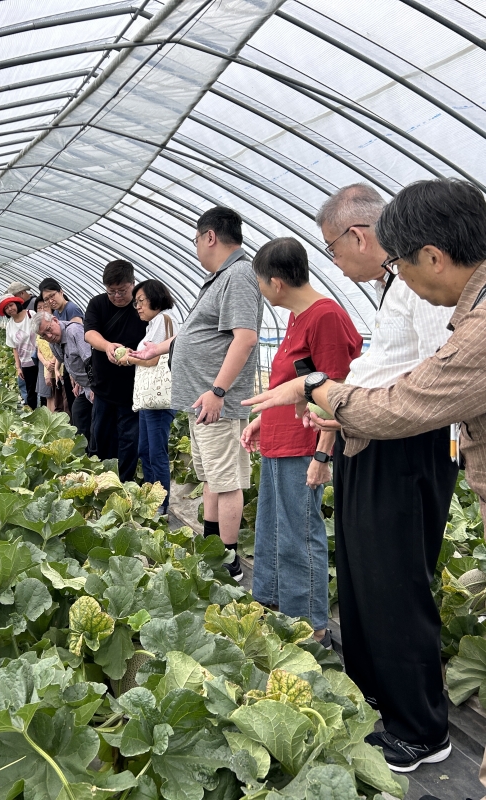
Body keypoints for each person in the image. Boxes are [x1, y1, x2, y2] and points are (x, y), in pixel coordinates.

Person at [242, 177, 486, 773]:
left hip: (405, 442)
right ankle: (387, 703)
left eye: (332, 247)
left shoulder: (444, 302)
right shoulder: (411, 287)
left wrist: (323, 395)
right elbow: (386, 371)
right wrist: (337, 415)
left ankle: (420, 728)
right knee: (368, 583)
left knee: (395, 586)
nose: (333, 260)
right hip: (370, 431)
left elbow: (423, 390)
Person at [239, 238, 362, 645]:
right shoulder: (297, 317)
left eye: (260, 282)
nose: (260, 290)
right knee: (273, 529)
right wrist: (262, 422)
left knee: (298, 532)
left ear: (276, 282)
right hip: (279, 438)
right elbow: (289, 386)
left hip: (303, 444)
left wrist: (323, 454)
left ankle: (311, 626)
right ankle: (276, 609)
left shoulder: (325, 316)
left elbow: (337, 391)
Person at [132, 206, 262, 582]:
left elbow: (246, 337)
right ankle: (210, 547)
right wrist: (160, 349)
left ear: (209, 237)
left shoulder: (238, 275)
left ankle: (229, 560)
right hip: (201, 401)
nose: (195, 247)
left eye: (195, 239)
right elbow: (199, 331)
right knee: (210, 478)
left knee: (226, 481)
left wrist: (218, 390)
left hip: (216, 402)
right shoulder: (219, 278)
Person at [117, 280, 179, 512]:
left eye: (141, 301)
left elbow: (152, 359)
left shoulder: (163, 320)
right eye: (136, 303)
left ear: (156, 298)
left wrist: (129, 358)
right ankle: (151, 496)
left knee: (156, 452)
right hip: (148, 399)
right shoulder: (152, 324)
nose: (138, 307)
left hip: (159, 401)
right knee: (145, 450)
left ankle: (161, 504)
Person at [83, 260, 147, 481]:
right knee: (100, 436)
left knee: (130, 440)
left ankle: (125, 483)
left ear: (132, 283)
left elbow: (157, 339)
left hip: (133, 390)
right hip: (103, 388)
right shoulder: (98, 304)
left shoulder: (142, 306)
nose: (117, 296)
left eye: (122, 291)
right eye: (112, 292)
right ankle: (101, 481)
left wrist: (135, 356)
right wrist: (108, 346)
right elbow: (89, 333)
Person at [32, 312, 93, 440]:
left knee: (98, 423)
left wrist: (95, 386)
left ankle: (99, 454)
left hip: (96, 384)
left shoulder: (73, 331)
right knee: (77, 413)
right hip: (84, 386)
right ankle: (84, 454)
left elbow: (92, 361)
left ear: (55, 320)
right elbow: (68, 362)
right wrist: (76, 381)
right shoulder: (53, 343)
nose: (49, 336)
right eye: (44, 335)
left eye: (49, 329)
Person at [39, 278, 84, 415]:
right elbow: (59, 345)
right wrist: (57, 368)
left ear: (61, 292)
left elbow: (78, 342)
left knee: (77, 405)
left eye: (52, 295)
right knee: (70, 403)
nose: (51, 300)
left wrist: (75, 374)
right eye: (47, 299)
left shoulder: (71, 309)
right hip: (68, 364)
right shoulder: (56, 313)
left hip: (78, 364)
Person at [0, 295, 37, 410]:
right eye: (6, 308)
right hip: (25, 362)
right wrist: (18, 367)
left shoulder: (31, 315)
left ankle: (46, 412)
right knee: (31, 391)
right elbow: (14, 347)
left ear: (17, 304)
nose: (10, 309)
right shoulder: (9, 325)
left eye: (11, 305)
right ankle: (33, 415)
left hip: (39, 359)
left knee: (44, 390)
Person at [32, 297, 67, 414]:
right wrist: (46, 364)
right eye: (39, 308)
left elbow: (57, 350)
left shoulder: (54, 327)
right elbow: (39, 351)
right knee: (48, 395)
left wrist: (51, 365)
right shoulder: (39, 330)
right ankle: (50, 421)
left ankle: (58, 423)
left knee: (60, 398)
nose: (42, 309)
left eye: (45, 307)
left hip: (57, 366)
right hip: (46, 366)